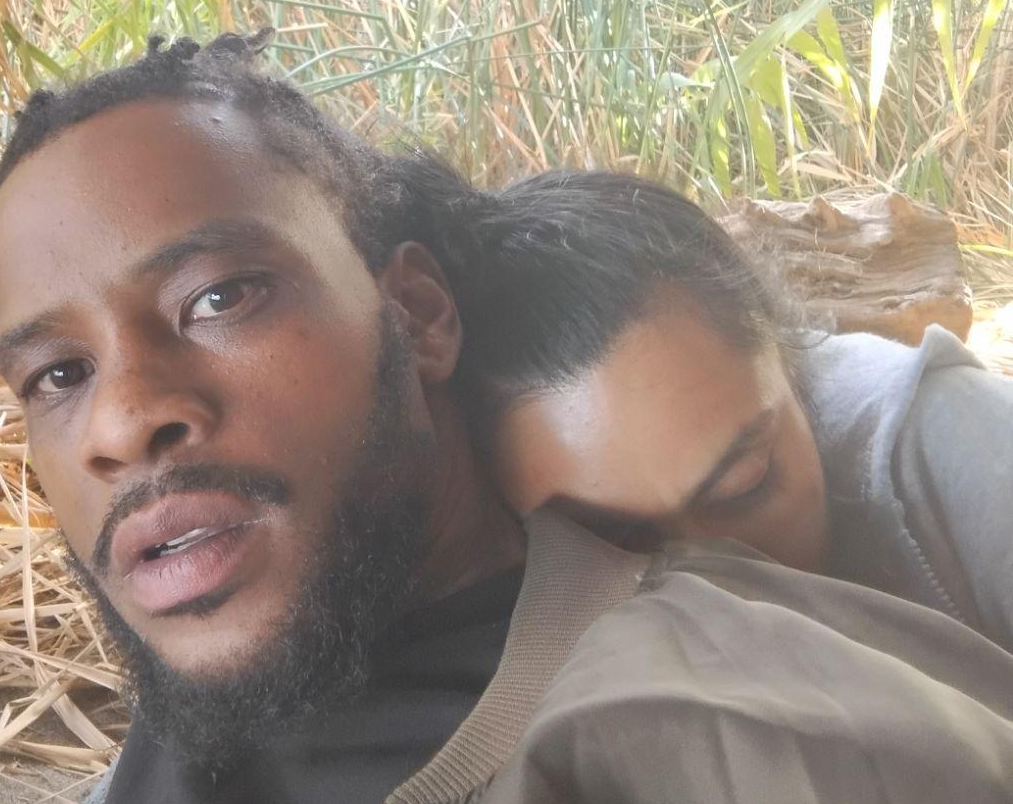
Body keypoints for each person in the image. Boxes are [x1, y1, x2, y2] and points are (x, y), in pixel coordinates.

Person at [0, 31, 1013, 804]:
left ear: (417, 315)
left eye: (219, 298)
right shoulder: (211, 692)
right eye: (58, 373)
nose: (121, 422)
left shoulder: (722, 733)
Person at [397, 159, 1013, 648]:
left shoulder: (950, 443)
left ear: (791, 359)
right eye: (613, 544)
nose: (715, 592)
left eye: (745, 486)